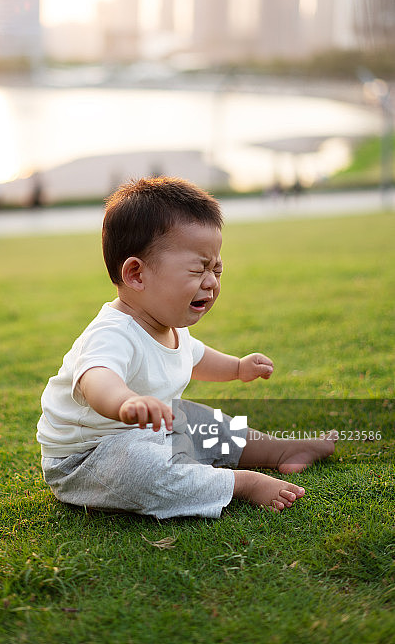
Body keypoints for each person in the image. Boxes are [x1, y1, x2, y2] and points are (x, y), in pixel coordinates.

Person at [37, 177, 337, 518]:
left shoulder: (169, 326)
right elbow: (97, 379)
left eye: (216, 269)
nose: (211, 282)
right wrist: (126, 402)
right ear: (136, 274)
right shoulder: (112, 333)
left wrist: (238, 367)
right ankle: (238, 484)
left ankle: (280, 450)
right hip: (90, 458)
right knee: (145, 469)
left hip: (153, 432)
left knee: (204, 422)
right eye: (198, 269)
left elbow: (197, 358)